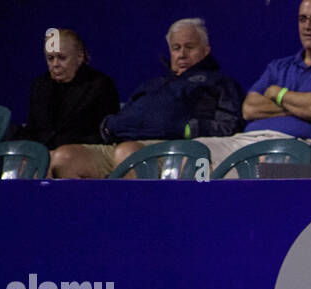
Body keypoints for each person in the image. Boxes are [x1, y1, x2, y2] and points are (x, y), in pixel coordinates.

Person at [49, 18, 244, 178]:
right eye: (176, 48)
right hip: (122, 145)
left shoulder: (219, 82)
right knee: (65, 157)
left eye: (189, 47)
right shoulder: (153, 84)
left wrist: (184, 128)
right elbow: (125, 115)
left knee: (129, 154)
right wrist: (109, 126)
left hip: (172, 148)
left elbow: (230, 126)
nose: (182, 54)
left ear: (206, 50)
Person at [193, 0, 311, 172]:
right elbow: (249, 109)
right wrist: (309, 101)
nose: (307, 26)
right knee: (191, 152)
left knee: (240, 172)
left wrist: (276, 93)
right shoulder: (278, 67)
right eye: (302, 19)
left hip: (294, 146)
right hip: (246, 139)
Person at [15, 28, 120, 150]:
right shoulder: (39, 85)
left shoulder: (100, 85)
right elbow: (33, 129)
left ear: (80, 57)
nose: (55, 64)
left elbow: (105, 134)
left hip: (80, 154)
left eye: (62, 57)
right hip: (42, 154)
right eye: (50, 58)